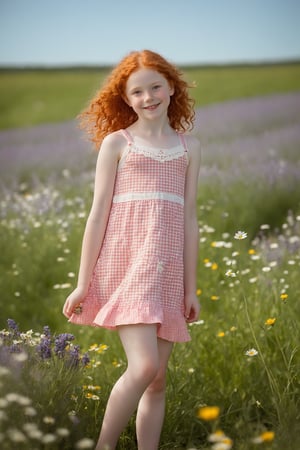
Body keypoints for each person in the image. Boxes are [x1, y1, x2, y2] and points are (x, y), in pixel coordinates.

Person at [63, 49, 201, 450]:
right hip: (127, 268)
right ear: (126, 98)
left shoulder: (189, 148)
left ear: (171, 87)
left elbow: (189, 218)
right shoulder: (117, 143)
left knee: (158, 381)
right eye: (137, 91)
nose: (148, 97)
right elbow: (96, 215)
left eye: (155, 86)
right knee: (143, 367)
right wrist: (82, 283)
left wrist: (190, 289)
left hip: (168, 271)